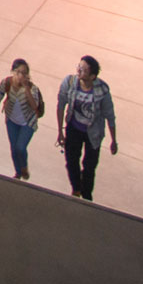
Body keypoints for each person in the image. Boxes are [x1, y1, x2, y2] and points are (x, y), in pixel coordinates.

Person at [54, 55, 117, 200]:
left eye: (83, 69)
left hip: (93, 133)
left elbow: (110, 115)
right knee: (71, 161)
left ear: (92, 76)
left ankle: (87, 194)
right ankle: (76, 188)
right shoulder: (69, 82)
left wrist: (114, 140)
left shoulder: (102, 90)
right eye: (79, 66)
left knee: (89, 166)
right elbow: (61, 105)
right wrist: (60, 131)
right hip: (74, 128)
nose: (78, 70)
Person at [0, 59, 45, 180]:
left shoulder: (32, 89)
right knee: (13, 148)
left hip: (27, 122)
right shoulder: (6, 83)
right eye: (18, 72)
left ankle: (24, 167)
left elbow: (34, 106)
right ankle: (18, 173)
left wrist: (26, 88)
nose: (21, 76)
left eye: (24, 73)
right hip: (12, 121)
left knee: (20, 147)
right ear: (13, 72)